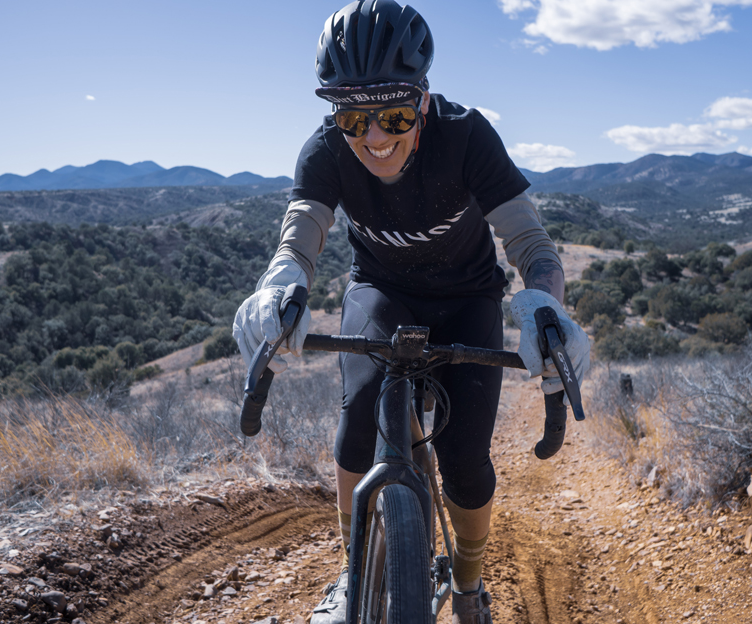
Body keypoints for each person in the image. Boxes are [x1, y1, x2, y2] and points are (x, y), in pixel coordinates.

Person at [233, 1, 590, 622]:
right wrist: (280, 283)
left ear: (423, 101)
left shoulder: (467, 135)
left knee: (466, 462)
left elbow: (530, 243)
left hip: (469, 298)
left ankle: (471, 584)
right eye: (352, 115)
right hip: (382, 291)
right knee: (354, 434)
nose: (373, 137)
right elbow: (299, 238)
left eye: (394, 112)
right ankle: (353, 573)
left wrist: (544, 303)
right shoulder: (325, 150)